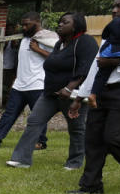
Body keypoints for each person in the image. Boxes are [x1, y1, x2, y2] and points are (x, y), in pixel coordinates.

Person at [6, 12, 98, 170]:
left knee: (76, 128)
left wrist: (69, 88)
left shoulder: (85, 41)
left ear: (76, 25)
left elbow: (87, 68)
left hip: (72, 95)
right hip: (50, 93)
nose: (60, 25)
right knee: (34, 121)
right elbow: (52, 62)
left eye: (65, 22)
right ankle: (21, 159)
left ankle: (74, 163)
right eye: (60, 22)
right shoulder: (60, 44)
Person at [68, 0, 120, 194]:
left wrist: (117, 63)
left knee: (114, 137)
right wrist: (79, 98)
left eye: (119, 6)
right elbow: (96, 68)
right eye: (113, 6)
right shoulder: (111, 36)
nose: (114, 10)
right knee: (93, 140)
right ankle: (91, 185)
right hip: (101, 93)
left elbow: (109, 63)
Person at [0, 12, 56, 149]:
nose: (24, 27)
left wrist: (38, 49)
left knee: (38, 115)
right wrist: (16, 78)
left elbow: (56, 59)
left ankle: (40, 142)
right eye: (23, 24)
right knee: (9, 114)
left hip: (37, 84)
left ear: (37, 23)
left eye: (27, 24)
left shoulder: (47, 38)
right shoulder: (25, 39)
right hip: (20, 85)